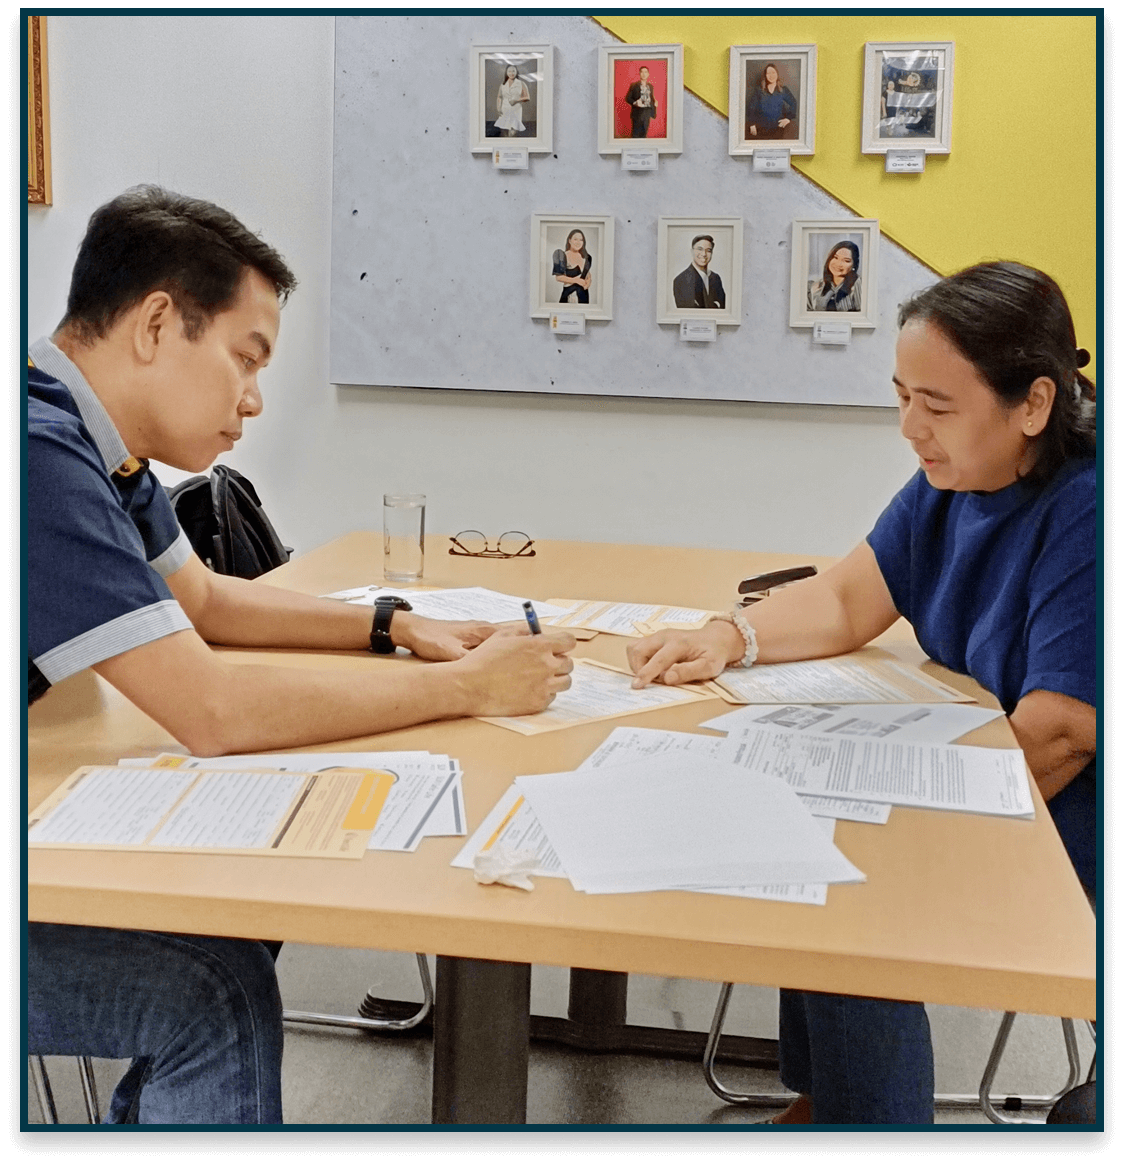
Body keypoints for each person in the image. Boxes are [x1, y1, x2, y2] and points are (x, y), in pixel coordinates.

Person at [27, 185, 576, 1123]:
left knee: (240, 903)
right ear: (158, 323)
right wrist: (464, 689)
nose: (253, 399)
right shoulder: (35, 452)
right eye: (246, 359)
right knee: (213, 983)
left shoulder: (94, 441)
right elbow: (213, 712)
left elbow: (200, 600)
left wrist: (391, 624)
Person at [627, 261, 1096, 1123]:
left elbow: (1062, 732)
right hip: (1006, 772)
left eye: (938, 405)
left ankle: (863, 1122)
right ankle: (828, 1101)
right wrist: (730, 636)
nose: (910, 427)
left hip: (1072, 820)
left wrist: (897, 819)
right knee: (823, 842)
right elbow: (850, 596)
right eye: (902, 395)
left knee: (851, 885)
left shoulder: (1089, 510)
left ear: (1033, 404)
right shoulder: (953, 480)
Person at [746, 62, 797, 140]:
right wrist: (752, 124)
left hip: (778, 130)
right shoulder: (759, 91)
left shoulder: (783, 90)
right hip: (761, 130)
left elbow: (793, 103)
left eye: (773, 72)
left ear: (777, 74)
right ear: (765, 76)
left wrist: (788, 119)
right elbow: (751, 108)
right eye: (768, 73)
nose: (771, 75)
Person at [672, 235, 726, 310]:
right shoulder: (681, 280)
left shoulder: (715, 278)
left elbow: (723, 308)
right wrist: (715, 305)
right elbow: (690, 312)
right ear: (692, 251)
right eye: (699, 249)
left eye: (708, 250)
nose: (704, 254)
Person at [807, 241, 862, 313]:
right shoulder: (815, 287)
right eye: (835, 257)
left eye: (846, 261)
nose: (839, 264)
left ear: (853, 265)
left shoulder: (859, 285)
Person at [552, 229, 593, 305]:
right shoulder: (562, 255)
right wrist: (576, 280)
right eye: (575, 239)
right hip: (570, 296)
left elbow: (588, 275)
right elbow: (559, 277)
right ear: (569, 240)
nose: (578, 242)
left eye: (581, 240)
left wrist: (588, 283)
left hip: (584, 296)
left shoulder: (587, 257)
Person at [494, 63, 530, 137]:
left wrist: (516, 100)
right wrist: (498, 107)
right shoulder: (503, 85)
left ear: (516, 72)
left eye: (513, 71)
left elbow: (527, 97)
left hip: (516, 110)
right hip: (504, 110)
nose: (511, 73)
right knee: (504, 133)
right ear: (506, 73)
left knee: (513, 133)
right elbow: (499, 97)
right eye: (509, 71)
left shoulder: (521, 83)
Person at [624, 65, 657, 138]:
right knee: (635, 135)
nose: (644, 74)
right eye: (642, 72)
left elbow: (651, 97)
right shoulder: (634, 85)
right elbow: (628, 98)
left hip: (647, 112)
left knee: (644, 134)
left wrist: (654, 103)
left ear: (648, 74)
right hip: (637, 113)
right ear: (639, 74)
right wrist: (635, 102)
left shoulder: (650, 86)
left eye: (646, 72)